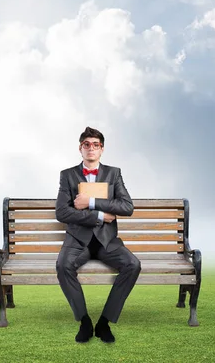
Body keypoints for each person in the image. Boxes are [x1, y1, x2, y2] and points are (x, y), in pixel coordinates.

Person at [55, 126, 140, 343]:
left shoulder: (114, 173)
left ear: (101, 149)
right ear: (80, 148)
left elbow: (127, 206)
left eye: (96, 145)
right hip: (78, 241)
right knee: (63, 265)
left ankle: (104, 322)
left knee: (133, 264)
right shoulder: (68, 175)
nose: (91, 148)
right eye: (86, 144)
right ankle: (84, 321)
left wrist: (90, 202)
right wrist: (100, 216)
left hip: (106, 242)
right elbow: (62, 212)